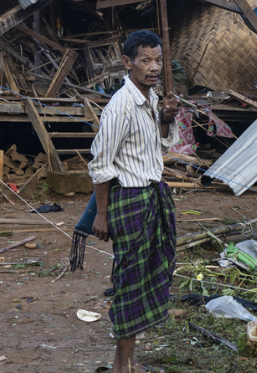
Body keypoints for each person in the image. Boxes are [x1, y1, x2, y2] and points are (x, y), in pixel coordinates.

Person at [87, 30, 179, 373]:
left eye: (157, 60)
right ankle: (120, 365)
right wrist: (102, 214)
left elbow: (163, 146)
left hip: (152, 197)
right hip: (130, 201)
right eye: (145, 60)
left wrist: (167, 119)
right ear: (128, 63)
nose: (153, 67)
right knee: (128, 283)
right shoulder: (121, 106)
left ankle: (127, 363)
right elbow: (100, 163)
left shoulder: (154, 99)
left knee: (145, 279)